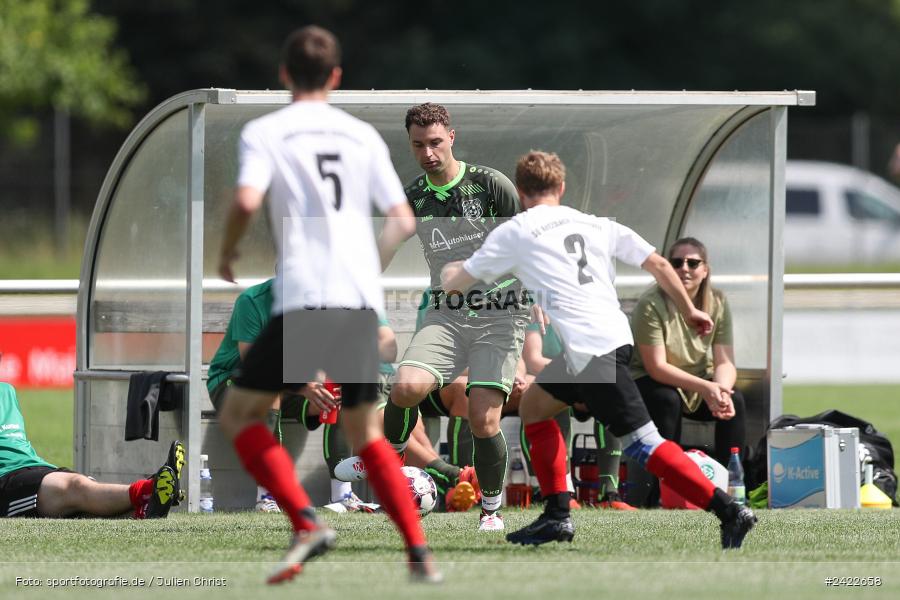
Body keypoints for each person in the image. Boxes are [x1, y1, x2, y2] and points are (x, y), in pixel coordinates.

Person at [441, 151, 757, 549]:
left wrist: (450, 268)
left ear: (521, 192)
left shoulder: (516, 231)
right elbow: (659, 264)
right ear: (562, 188)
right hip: (604, 341)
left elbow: (458, 284)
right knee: (536, 408)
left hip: (592, 351)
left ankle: (730, 510)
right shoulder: (595, 224)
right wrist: (691, 309)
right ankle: (557, 514)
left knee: (643, 444)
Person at [216, 26, 439, 584]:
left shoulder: (267, 131)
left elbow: (246, 198)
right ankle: (418, 552)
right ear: (337, 77)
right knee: (368, 434)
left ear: (284, 74)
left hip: (305, 300)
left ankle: (305, 522)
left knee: (239, 412)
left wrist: (228, 250)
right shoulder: (361, 135)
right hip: (358, 304)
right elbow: (403, 221)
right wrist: (369, 263)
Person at [379, 102, 529, 532]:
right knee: (406, 386)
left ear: (452, 137)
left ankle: (492, 510)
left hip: (500, 314)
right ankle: (388, 465)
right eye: (418, 145)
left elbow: (523, 247)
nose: (428, 152)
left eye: (435, 142)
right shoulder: (413, 197)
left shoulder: (491, 185)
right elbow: (382, 252)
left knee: (483, 419)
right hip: (445, 314)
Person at [630, 237, 746, 478]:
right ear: (667, 269)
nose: (684, 268)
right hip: (654, 382)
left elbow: (725, 361)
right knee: (667, 400)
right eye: (676, 262)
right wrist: (707, 388)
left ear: (705, 270)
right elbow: (656, 367)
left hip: (698, 384)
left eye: (693, 263)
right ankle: (664, 486)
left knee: (736, 401)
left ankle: (730, 484)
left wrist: (721, 391)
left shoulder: (718, 301)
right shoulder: (650, 303)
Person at [1, 380, 183, 520]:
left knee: (85, 492)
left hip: (36, 467)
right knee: (75, 488)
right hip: (7, 479)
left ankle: (149, 499)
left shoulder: (6, 391)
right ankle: (148, 490)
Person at [522, 321, 634, 510]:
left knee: (610, 399)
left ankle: (609, 494)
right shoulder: (537, 302)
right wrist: (578, 381)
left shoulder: (586, 310)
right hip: (546, 380)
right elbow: (534, 360)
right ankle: (555, 491)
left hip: (580, 378)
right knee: (554, 403)